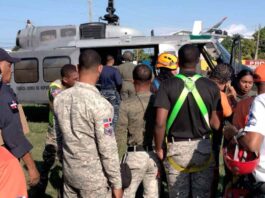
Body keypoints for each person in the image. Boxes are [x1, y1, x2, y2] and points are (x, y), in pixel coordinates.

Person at [154, 44, 221, 197]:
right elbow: (216, 124)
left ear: (178, 62)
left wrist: (159, 148)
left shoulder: (166, 86)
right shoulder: (211, 86)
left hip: (176, 149)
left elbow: (159, 122)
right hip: (202, 148)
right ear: (198, 61)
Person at [54, 49, 122, 198]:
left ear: (78, 68)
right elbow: (107, 148)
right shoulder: (101, 105)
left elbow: (58, 138)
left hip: (70, 173)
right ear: (100, 69)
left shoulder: (60, 98)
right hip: (94, 181)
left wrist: (66, 161)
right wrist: (116, 183)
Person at [115, 64, 160, 197]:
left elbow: (120, 135)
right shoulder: (159, 101)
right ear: (151, 80)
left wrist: (118, 161)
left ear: (133, 81)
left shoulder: (126, 104)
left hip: (134, 155)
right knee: (152, 194)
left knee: (127, 194)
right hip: (154, 154)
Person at [0, 48, 40, 187]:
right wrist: (32, 167)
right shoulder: (3, 95)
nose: (11, 70)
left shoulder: (5, 89)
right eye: (9, 65)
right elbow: (12, 134)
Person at [224, 64, 265, 196]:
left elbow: (251, 144)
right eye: (244, 82)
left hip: (258, 172)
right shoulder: (244, 103)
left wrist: (236, 134)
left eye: (251, 83)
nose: (247, 86)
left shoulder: (259, 101)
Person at [38, 64, 79, 195]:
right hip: (55, 132)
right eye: (75, 78)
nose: (77, 81)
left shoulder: (73, 86)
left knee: (67, 163)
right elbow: (62, 100)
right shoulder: (55, 87)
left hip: (67, 131)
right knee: (48, 162)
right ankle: (39, 190)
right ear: (65, 79)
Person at [98, 55, 122, 128]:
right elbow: (119, 82)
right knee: (114, 113)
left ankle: (106, 129)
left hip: (102, 92)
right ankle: (111, 131)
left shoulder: (100, 70)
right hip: (112, 92)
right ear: (112, 61)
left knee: (105, 113)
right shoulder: (114, 70)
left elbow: (97, 80)